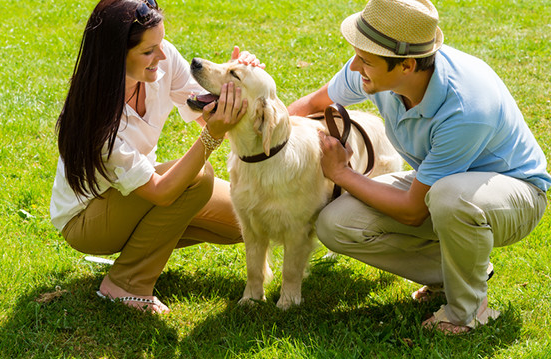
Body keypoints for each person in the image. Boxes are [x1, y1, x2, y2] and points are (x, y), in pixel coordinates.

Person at [288, 0, 550, 334]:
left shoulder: (466, 105)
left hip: (516, 194)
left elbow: (412, 211)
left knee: (450, 196)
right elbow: (312, 104)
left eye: (365, 60)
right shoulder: (376, 67)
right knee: (335, 224)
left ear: (407, 66)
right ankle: (457, 275)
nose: (354, 67)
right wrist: (268, 139)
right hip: (439, 184)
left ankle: (466, 312)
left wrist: (341, 174)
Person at [50, 0, 263, 314]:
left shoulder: (162, 60)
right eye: (148, 51)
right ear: (114, 56)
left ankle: (144, 248)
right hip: (87, 219)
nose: (162, 57)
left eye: (160, 44)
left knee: (244, 220)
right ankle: (125, 282)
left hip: (135, 193)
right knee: (196, 178)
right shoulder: (95, 120)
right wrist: (211, 137)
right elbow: (161, 192)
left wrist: (232, 81)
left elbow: (205, 111)